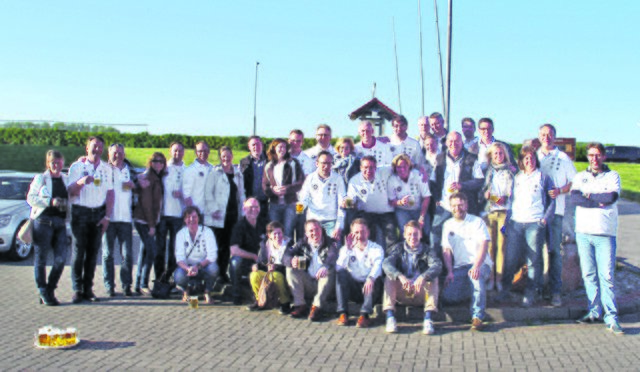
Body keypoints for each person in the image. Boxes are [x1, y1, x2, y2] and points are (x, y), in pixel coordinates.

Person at [571, 142, 624, 335]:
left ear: (603, 157)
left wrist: (589, 196)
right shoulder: (580, 177)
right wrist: (596, 199)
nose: (594, 158)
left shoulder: (612, 176)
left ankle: (612, 317)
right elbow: (575, 199)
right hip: (583, 233)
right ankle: (594, 311)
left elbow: (610, 197)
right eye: (591, 155)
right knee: (588, 275)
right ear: (587, 157)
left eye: (598, 155)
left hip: (605, 234)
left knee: (607, 276)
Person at [497, 146, 555, 307]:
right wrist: (507, 221)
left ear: (535, 159)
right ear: (521, 161)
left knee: (533, 260)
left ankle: (531, 292)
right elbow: (511, 201)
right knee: (510, 258)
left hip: (534, 223)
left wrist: (544, 220)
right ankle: (505, 289)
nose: (529, 161)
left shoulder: (543, 178)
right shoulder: (517, 178)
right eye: (526, 158)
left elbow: (551, 202)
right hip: (516, 222)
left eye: (531, 158)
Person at [67, 136, 114, 303]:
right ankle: (77, 289)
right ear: (87, 148)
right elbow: (70, 191)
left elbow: (110, 193)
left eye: (100, 147)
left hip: (98, 214)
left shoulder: (106, 169)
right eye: (94, 146)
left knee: (93, 253)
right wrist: (80, 182)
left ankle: (88, 289)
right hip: (80, 213)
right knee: (79, 252)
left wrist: (107, 216)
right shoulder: (77, 167)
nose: (97, 150)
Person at [537, 123, 577, 306]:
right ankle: (536, 290)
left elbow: (574, 182)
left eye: (549, 134)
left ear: (554, 136)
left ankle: (555, 292)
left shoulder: (563, 158)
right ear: (539, 136)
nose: (546, 137)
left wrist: (560, 190)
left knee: (554, 252)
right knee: (535, 252)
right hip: (535, 213)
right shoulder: (534, 155)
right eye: (543, 134)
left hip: (556, 212)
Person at [440, 193, 492, 331]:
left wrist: (476, 266)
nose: (457, 208)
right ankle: (477, 292)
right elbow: (446, 250)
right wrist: (450, 272)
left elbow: (484, 245)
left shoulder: (477, 222)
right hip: (460, 268)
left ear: (466, 205)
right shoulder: (447, 225)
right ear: (450, 208)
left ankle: (477, 316)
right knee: (448, 296)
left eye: (460, 205)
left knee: (475, 276)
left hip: (481, 265)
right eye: (454, 206)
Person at [429, 131, 484, 261]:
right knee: (435, 238)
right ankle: (436, 271)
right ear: (447, 143)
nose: (453, 144)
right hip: (444, 206)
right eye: (451, 141)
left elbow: (479, 180)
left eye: (457, 141)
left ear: (462, 143)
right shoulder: (439, 159)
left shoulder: (472, 159)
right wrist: (436, 198)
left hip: (464, 207)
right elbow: (432, 181)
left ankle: (465, 270)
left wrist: (462, 185)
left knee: (466, 240)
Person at [382, 220, 442, 334]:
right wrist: (400, 276)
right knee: (389, 277)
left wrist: (423, 277)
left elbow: (437, 265)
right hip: (403, 291)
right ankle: (390, 318)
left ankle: (428, 319)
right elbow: (386, 264)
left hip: (420, 292)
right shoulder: (398, 248)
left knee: (433, 278)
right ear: (404, 235)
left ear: (420, 235)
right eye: (409, 234)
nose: (412, 237)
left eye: (415, 234)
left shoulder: (427, 250)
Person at [27, 150, 69, 306]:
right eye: (53, 162)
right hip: (43, 222)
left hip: (60, 222)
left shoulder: (66, 178)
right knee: (41, 259)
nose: (56, 165)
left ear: (63, 162)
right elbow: (30, 198)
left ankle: (49, 288)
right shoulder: (41, 179)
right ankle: (43, 291)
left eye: (58, 162)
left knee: (61, 259)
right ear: (48, 163)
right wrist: (50, 202)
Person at [283, 219, 339, 321]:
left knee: (329, 271)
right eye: (311, 231)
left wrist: (325, 266)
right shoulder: (301, 243)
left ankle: (316, 308)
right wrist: (291, 261)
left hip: (325, 287)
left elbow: (333, 255)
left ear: (321, 230)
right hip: (308, 283)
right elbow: (286, 255)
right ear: (306, 233)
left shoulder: (330, 242)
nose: (315, 233)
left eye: (317, 229)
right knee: (290, 269)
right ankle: (300, 305)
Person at [204, 146, 245, 283]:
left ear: (232, 156)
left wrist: (244, 210)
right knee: (217, 246)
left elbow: (241, 194)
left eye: (228, 156)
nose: (226, 159)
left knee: (228, 246)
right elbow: (208, 193)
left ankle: (222, 273)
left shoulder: (238, 173)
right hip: (217, 216)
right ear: (220, 158)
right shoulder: (214, 173)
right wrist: (213, 209)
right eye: (223, 156)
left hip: (232, 215)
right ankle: (213, 274)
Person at [335, 219, 384, 328]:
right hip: (354, 287)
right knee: (341, 275)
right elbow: (338, 267)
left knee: (375, 279)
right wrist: (347, 250)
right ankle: (343, 313)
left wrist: (371, 278)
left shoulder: (376, 248)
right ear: (351, 234)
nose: (360, 235)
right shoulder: (345, 249)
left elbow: (377, 266)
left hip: (370, 288)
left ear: (368, 233)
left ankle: (364, 315)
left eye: (363, 232)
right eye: (356, 232)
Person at [102, 143, 136, 297]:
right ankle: (109, 286)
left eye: (120, 153)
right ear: (109, 154)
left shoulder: (130, 170)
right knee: (108, 254)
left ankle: (126, 285)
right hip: (109, 219)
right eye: (114, 153)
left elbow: (140, 186)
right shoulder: (103, 170)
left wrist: (134, 185)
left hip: (126, 220)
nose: (118, 155)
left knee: (127, 255)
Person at [481, 142, 515, 291]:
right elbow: (483, 192)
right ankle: (490, 278)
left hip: (504, 212)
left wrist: (492, 197)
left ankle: (499, 278)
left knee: (501, 247)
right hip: (489, 213)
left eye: (501, 153)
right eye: (495, 154)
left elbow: (506, 197)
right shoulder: (488, 171)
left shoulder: (510, 172)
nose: (498, 156)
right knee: (489, 247)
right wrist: (486, 195)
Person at [347, 155, 397, 251]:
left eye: (371, 167)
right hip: (367, 213)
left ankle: (392, 261)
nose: (368, 170)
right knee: (367, 236)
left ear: (376, 167)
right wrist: (347, 202)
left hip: (386, 213)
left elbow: (402, 164)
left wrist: (420, 170)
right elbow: (350, 199)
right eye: (365, 167)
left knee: (391, 238)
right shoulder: (354, 181)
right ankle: (368, 259)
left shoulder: (385, 171)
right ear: (360, 168)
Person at [133, 152, 166, 295]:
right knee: (151, 251)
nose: (158, 164)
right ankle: (143, 284)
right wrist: (152, 225)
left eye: (161, 161)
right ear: (150, 162)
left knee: (145, 251)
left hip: (151, 220)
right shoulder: (148, 177)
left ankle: (138, 284)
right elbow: (147, 204)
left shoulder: (158, 177)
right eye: (155, 161)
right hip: (144, 220)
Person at [174, 206, 219, 304]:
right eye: (188, 217)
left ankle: (207, 292)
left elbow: (212, 255)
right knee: (178, 276)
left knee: (214, 268)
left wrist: (198, 267)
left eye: (194, 217)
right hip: (187, 267)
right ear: (185, 220)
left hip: (203, 265)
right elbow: (179, 258)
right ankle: (186, 291)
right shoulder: (180, 234)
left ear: (199, 218)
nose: (191, 220)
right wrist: (188, 269)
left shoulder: (207, 232)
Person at [155, 141, 186, 284]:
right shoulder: (164, 167)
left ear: (184, 152)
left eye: (180, 151)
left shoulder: (187, 170)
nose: (177, 153)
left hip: (179, 215)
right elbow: (148, 173)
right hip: (162, 215)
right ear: (170, 151)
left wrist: (183, 194)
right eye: (175, 151)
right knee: (160, 249)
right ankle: (159, 278)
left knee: (174, 250)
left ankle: (171, 278)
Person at [298, 151, 346, 240]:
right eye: (323, 163)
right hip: (313, 220)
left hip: (331, 220)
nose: (326, 166)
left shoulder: (338, 179)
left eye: (329, 163)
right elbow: (303, 199)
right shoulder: (310, 178)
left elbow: (342, 204)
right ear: (317, 163)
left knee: (333, 248)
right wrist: (298, 211)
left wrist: (339, 226)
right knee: (313, 248)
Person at [262, 138, 304, 240]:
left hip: (291, 204)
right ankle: (275, 255)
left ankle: (287, 255)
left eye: (285, 147)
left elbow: (301, 182)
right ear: (274, 149)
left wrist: (287, 189)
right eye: (280, 147)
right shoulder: (269, 166)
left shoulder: (294, 163)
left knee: (288, 233)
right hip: (274, 205)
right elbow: (264, 186)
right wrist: (273, 191)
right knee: (274, 232)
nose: (282, 149)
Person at [247, 221, 292, 314]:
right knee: (254, 275)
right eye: (274, 234)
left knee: (276, 276)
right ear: (269, 235)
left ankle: (285, 303)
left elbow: (288, 262)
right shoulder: (265, 245)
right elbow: (261, 261)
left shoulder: (289, 244)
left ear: (283, 233)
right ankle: (259, 300)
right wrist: (256, 265)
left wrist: (275, 267)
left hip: (282, 272)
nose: (277, 236)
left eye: (279, 233)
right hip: (268, 271)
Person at [229, 198, 265, 305]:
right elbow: (234, 250)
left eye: (256, 207)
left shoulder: (264, 224)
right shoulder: (239, 226)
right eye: (250, 207)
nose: (253, 210)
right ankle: (236, 294)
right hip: (246, 261)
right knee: (235, 262)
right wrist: (253, 257)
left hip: (262, 259)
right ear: (244, 209)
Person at [387, 154, 431, 238]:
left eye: (404, 166)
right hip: (402, 210)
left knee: (425, 231)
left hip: (419, 209)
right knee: (406, 233)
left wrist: (422, 217)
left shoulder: (418, 175)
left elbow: (426, 197)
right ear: (395, 168)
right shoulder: (392, 180)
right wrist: (400, 202)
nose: (402, 169)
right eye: (399, 167)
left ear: (409, 166)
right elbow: (391, 201)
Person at [240, 136, 269, 227]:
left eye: (258, 144)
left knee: (265, 227)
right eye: (253, 145)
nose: (256, 147)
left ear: (262, 145)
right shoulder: (244, 162)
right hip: (251, 202)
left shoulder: (270, 160)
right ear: (249, 147)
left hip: (267, 202)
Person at [183, 141, 214, 214]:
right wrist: (193, 213)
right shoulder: (190, 170)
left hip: (210, 213)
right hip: (197, 213)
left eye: (205, 151)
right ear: (196, 152)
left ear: (209, 152)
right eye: (200, 151)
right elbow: (187, 196)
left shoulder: (212, 168)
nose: (203, 153)